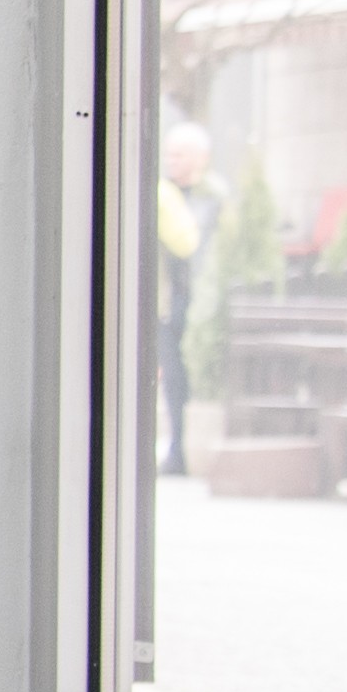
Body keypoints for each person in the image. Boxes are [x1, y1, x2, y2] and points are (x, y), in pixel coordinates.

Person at [154, 123, 213, 475]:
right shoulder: (162, 194)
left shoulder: (212, 196)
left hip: (202, 300)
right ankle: (177, 449)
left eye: (180, 155)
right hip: (170, 303)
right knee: (173, 377)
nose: (171, 161)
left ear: (200, 158)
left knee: (186, 376)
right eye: (169, 154)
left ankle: (182, 451)